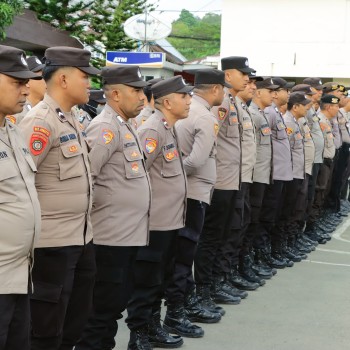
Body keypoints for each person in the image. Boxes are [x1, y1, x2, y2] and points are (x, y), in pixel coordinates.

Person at [20, 46, 100, 350]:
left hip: (81, 238)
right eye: (85, 77)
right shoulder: (40, 123)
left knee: (74, 322)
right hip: (52, 245)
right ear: (64, 80)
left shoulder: (72, 119)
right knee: (46, 328)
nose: (90, 84)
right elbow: (21, 183)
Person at [75, 65, 151, 350]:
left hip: (126, 236)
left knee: (113, 307)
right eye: (136, 90)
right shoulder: (106, 127)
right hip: (109, 238)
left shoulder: (125, 124)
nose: (142, 97)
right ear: (116, 94)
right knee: (101, 310)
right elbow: (86, 179)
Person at [126, 76, 192, 350]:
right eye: (184, 96)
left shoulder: (168, 127)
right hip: (154, 223)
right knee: (146, 282)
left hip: (170, 221)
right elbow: (138, 174)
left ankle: (152, 325)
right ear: (167, 101)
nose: (189, 101)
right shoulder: (152, 130)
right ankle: (138, 335)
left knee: (159, 280)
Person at [164, 69, 228, 337]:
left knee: (182, 254)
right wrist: (176, 174)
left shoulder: (195, 113)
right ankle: (175, 314)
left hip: (188, 192)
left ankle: (183, 304)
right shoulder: (204, 116)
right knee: (183, 255)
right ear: (215, 90)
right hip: (193, 193)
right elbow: (194, 160)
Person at [0, 44, 41, 350]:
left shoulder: (12, 131)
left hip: (20, 273)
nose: (26, 88)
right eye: (16, 81)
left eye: (27, 81)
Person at [260, 77, 295, 268]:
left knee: (275, 215)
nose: (284, 94)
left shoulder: (274, 111)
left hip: (282, 172)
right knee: (267, 216)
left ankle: (269, 251)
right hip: (273, 174)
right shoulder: (268, 112)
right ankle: (262, 255)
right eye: (283, 90)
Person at [246, 77, 278, 275]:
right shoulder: (253, 114)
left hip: (263, 175)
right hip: (255, 176)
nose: (274, 95)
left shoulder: (261, 114)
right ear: (259, 93)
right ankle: (245, 263)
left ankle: (251, 259)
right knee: (250, 222)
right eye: (270, 91)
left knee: (257, 219)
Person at [7, 56, 46, 125]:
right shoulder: (17, 111)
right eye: (42, 77)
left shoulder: (45, 108)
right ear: (27, 82)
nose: (47, 81)